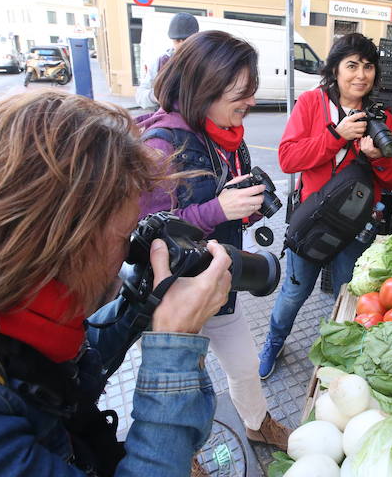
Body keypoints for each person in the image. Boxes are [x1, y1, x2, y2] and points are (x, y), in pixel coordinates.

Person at [0, 90, 232, 476]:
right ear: (64, 241)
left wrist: (144, 305)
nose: (126, 252)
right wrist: (174, 348)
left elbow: (47, 370)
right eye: (124, 234)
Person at [137, 30, 291, 470]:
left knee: (244, 367)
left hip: (221, 282)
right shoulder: (161, 147)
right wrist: (215, 208)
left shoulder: (224, 134)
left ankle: (258, 423)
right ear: (203, 86)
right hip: (177, 299)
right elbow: (143, 233)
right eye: (239, 93)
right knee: (184, 389)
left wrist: (239, 209)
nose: (250, 103)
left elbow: (216, 206)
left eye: (251, 91)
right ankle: (185, 460)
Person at [258, 33, 392, 379]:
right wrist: (336, 136)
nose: (361, 74)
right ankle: (274, 341)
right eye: (352, 65)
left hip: (357, 226)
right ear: (335, 70)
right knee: (294, 293)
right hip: (312, 222)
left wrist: (377, 159)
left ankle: (341, 356)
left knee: (347, 296)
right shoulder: (311, 103)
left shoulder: (382, 118)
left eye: (368, 67)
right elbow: (288, 158)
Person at [135, 12, 200, 110]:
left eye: (186, 40)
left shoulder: (206, 60)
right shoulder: (160, 62)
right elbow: (140, 95)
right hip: (168, 121)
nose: (181, 45)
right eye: (177, 41)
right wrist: (156, 96)